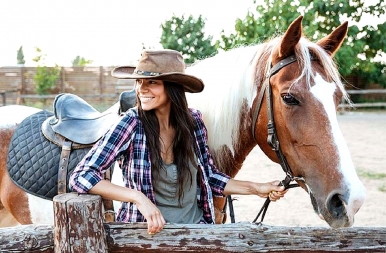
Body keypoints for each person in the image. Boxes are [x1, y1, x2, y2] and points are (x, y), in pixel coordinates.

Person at [69, 49, 286, 235]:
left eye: (152, 82)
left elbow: (210, 177)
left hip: (197, 231)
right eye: (139, 81)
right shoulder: (131, 124)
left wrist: (257, 188)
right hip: (147, 236)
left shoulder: (194, 124)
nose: (141, 89)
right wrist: (138, 198)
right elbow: (82, 176)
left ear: (173, 87)